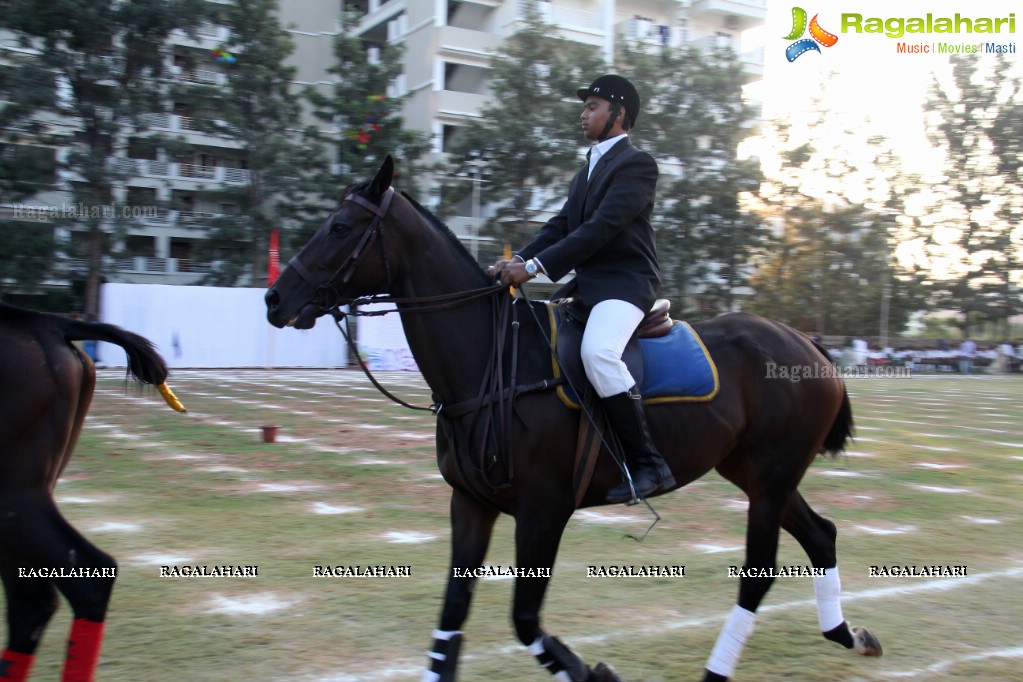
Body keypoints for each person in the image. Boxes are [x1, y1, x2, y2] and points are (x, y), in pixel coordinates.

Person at [490, 74, 675, 504]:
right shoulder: (587, 170)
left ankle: (649, 463)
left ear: (619, 113)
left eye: (592, 106)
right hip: (588, 287)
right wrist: (518, 260)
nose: (583, 114)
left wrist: (534, 268)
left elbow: (602, 229)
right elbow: (560, 227)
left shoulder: (637, 164)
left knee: (598, 352)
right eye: (585, 106)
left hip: (626, 286)